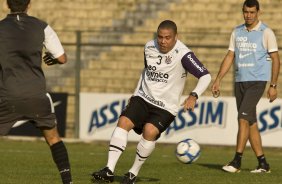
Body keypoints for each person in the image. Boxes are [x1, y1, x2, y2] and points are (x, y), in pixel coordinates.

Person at [92, 20, 211, 184]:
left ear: (176, 37)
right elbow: (145, 72)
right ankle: (109, 170)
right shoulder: (149, 47)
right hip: (143, 97)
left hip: (165, 107)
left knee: (149, 131)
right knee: (123, 122)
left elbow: (206, 76)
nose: (163, 41)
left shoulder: (184, 54)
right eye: (160, 37)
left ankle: (132, 173)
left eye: (167, 38)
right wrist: (135, 94)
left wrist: (194, 95)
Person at [0, 0, 73, 183]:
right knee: (54, 139)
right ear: (29, 4)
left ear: (6, 4)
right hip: (36, 95)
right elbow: (62, 58)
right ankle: (68, 181)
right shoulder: (42, 26)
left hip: (7, 95)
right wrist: (52, 60)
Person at [211, 0, 280, 173]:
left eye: (252, 12)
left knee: (242, 118)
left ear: (258, 12)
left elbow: (276, 59)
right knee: (250, 122)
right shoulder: (237, 32)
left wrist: (273, 85)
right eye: (245, 12)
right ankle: (263, 164)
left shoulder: (266, 32)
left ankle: (236, 161)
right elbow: (229, 56)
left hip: (257, 82)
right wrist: (218, 79)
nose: (248, 15)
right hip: (240, 81)